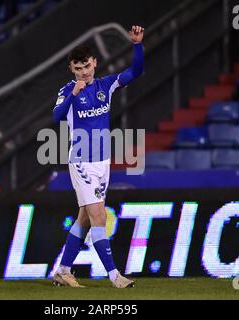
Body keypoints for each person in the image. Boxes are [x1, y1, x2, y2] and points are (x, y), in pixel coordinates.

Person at [52, 25, 145, 288]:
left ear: (95, 62)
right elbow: (57, 118)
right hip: (81, 161)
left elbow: (136, 71)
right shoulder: (67, 91)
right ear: (72, 68)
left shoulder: (107, 84)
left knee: (84, 217)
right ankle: (115, 276)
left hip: (103, 162)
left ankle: (63, 269)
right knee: (98, 216)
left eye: (87, 66)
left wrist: (137, 45)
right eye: (78, 68)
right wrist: (73, 95)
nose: (84, 72)